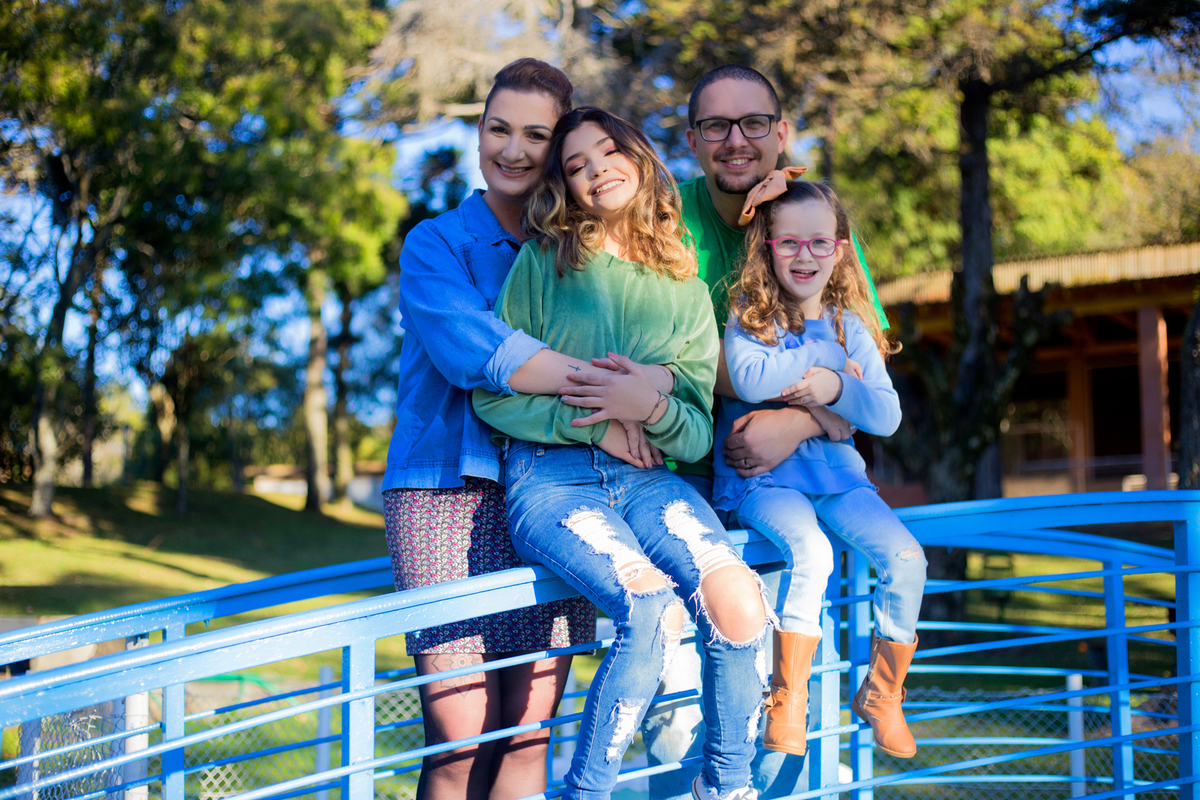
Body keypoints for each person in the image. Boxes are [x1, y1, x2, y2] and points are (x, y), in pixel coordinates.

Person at [473, 106, 772, 800]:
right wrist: (597, 423)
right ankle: (587, 792)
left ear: (638, 159)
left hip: (648, 482)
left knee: (738, 598)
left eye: (607, 152)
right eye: (575, 166)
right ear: (567, 188)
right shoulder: (541, 264)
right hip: (553, 482)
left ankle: (726, 787)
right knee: (651, 608)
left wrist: (653, 407)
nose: (595, 170)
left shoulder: (686, 287)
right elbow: (494, 398)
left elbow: (696, 430)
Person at [634, 65, 889, 800]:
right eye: (716, 126)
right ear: (693, 140)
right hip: (675, 499)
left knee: (786, 720)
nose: (735, 140)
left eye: (754, 123)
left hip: (785, 500)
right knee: (680, 723)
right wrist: (792, 400)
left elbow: (865, 371)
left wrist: (795, 421)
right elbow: (659, 357)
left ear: (782, 133)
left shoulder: (814, 222)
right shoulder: (661, 218)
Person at [381, 59, 599, 800]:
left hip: (554, 491)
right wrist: (607, 387)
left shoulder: (582, 250)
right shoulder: (434, 244)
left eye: (535, 135)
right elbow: (472, 353)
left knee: (530, 727)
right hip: (443, 490)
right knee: (460, 731)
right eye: (497, 128)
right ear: (478, 133)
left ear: (559, 147)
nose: (511, 149)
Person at [718, 176, 927, 760]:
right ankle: (788, 697)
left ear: (839, 250)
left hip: (836, 476)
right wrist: (834, 374)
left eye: (818, 243)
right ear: (767, 247)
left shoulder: (850, 326)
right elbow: (755, 380)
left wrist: (834, 389)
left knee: (908, 559)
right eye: (788, 243)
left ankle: (883, 693)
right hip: (762, 479)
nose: (803, 256)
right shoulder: (750, 317)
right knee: (811, 552)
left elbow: (884, 414)